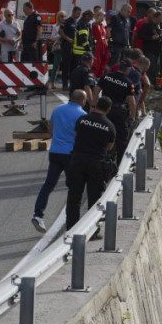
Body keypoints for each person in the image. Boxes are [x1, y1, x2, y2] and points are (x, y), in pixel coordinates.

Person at [31, 90, 88, 232]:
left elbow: (51, 129)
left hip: (55, 151)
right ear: (83, 100)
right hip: (70, 154)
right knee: (74, 188)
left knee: (48, 185)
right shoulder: (82, 115)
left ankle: (38, 214)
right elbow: (81, 136)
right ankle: (71, 220)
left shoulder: (58, 109)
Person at [66, 95, 116, 229]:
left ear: (96, 105)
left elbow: (76, 135)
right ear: (109, 109)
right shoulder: (110, 126)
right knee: (94, 199)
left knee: (74, 197)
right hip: (96, 164)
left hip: (78, 161)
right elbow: (109, 147)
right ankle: (92, 230)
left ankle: (71, 228)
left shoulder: (82, 120)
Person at [95, 58, 137, 165]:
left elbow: (96, 92)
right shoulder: (128, 83)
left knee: (102, 135)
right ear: (128, 69)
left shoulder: (106, 76)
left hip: (104, 110)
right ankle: (119, 165)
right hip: (119, 113)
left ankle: (102, 160)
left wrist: (93, 106)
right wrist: (132, 116)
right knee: (121, 140)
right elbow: (132, 102)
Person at [59, 6, 81, 91]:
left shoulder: (76, 23)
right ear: (73, 12)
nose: (79, 15)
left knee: (74, 66)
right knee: (66, 66)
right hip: (67, 46)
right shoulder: (66, 21)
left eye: (80, 14)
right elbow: (60, 31)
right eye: (77, 13)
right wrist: (68, 39)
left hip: (75, 48)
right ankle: (65, 84)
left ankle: (72, 84)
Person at [138, 10, 162, 83]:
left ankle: (152, 81)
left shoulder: (157, 26)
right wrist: (151, 38)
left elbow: (158, 38)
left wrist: (160, 36)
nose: (160, 21)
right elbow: (140, 36)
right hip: (149, 50)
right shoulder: (147, 25)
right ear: (154, 18)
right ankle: (147, 82)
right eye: (159, 19)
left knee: (156, 68)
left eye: (161, 20)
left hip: (156, 51)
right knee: (150, 68)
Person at [48, 10, 68, 88]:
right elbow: (52, 37)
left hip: (66, 46)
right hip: (59, 46)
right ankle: (52, 82)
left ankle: (65, 83)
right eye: (61, 16)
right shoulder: (55, 26)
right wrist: (60, 35)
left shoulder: (67, 25)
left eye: (64, 16)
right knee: (56, 65)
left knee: (66, 65)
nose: (63, 18)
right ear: (58, 17)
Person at [91, 10, 110, 77]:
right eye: (102, 16)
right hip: (98, 45)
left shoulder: (102, 26)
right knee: (97, 62)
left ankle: (100, 76)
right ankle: (95, 76)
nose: (103, 18)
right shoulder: (94, 24)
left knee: (104, 61)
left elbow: (105, 36)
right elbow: (96, 22)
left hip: (104, 45)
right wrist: (104, 15)